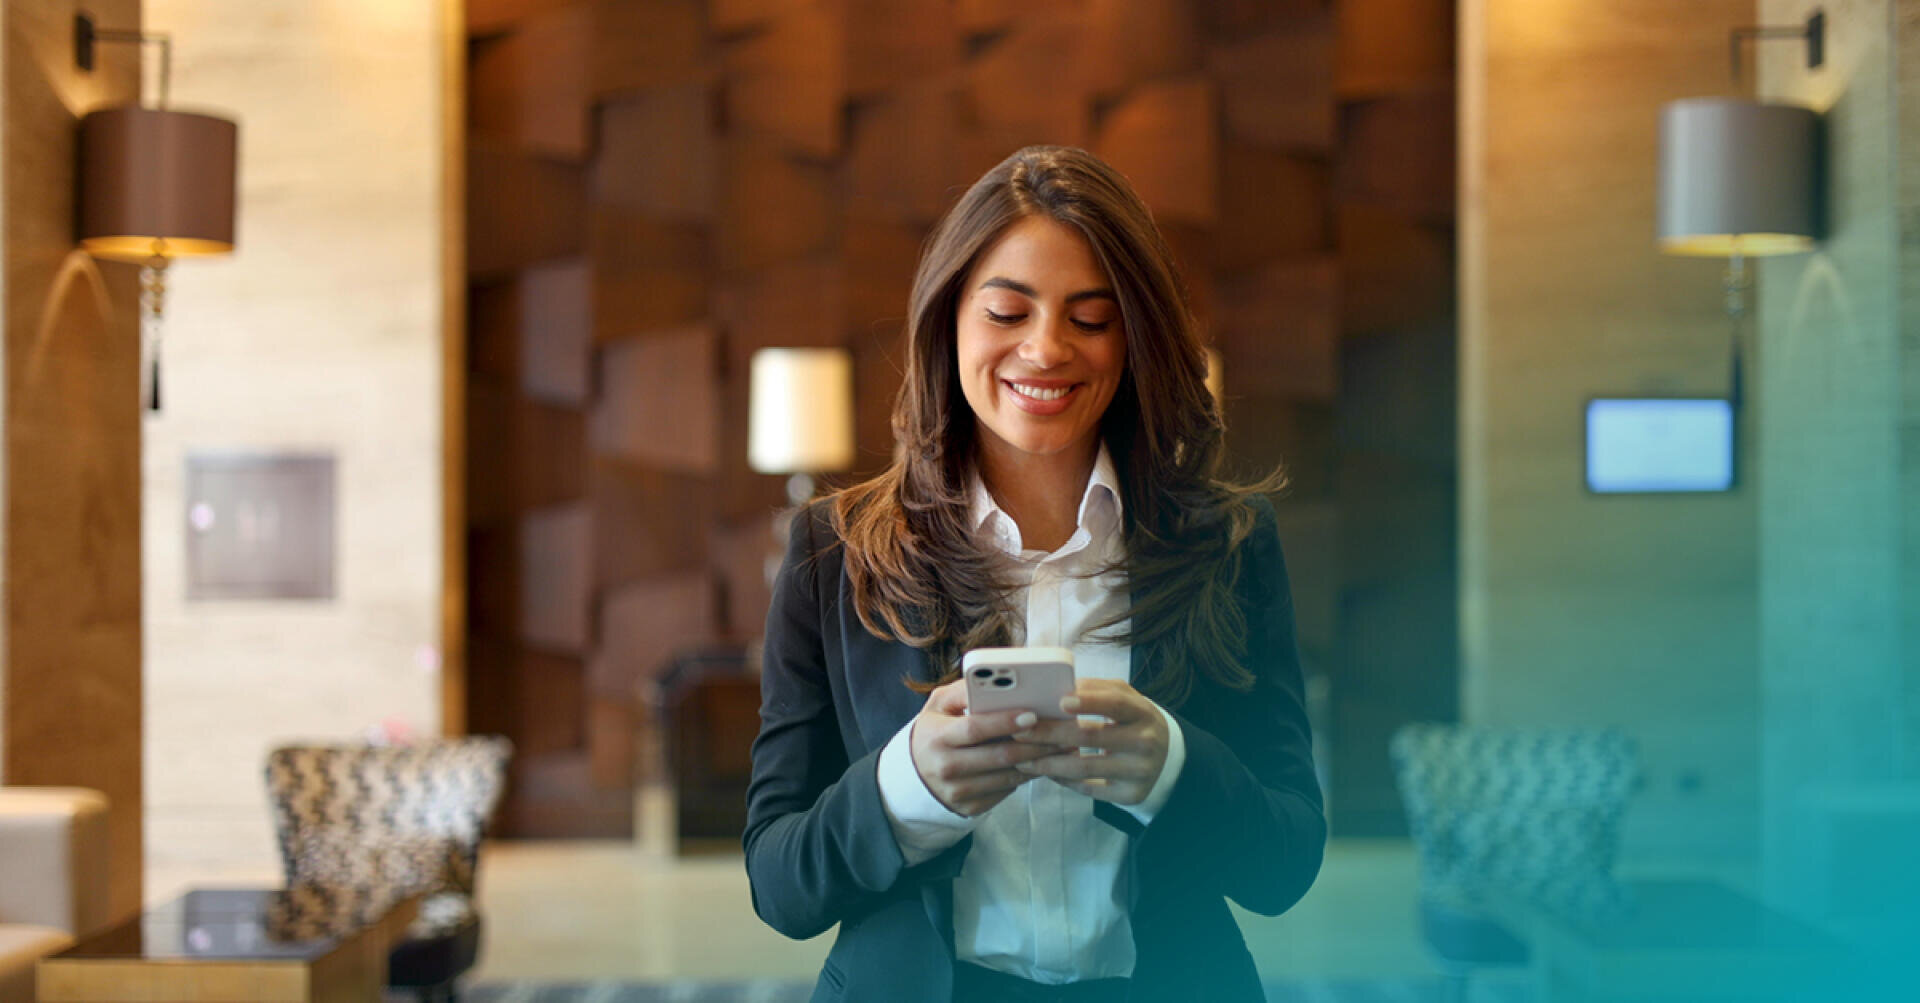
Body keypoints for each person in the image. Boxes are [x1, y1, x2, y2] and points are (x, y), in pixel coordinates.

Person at [744, 145, 1325, 1003]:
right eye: (1008, 312)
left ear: (1134, 340)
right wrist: (908, 785)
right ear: (950, 320)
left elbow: (1286, 861)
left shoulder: (1227, 545)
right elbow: (779, 882)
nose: (1045, 350)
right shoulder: (834, 553)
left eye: (1090, 319)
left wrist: (1168, 767)